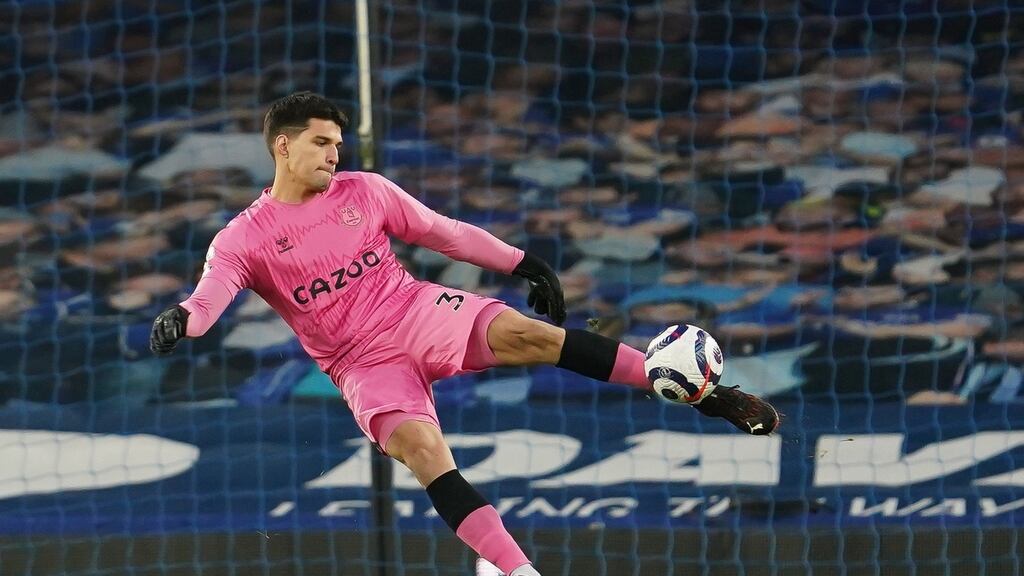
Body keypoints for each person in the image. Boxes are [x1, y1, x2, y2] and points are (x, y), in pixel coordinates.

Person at [149, 92, 780, 576]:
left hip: (413, 308)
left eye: (337, 143)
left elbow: (442, 231)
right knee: (424, 454)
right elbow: (209, 300)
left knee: (533, 337)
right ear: (282, 147)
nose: (333, 155)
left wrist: (521, 262)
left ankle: (708, 394)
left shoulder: (364, 192)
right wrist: (182, 319)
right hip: (359, 363)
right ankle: (515, 568)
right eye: (321, 143)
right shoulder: (243, 237)